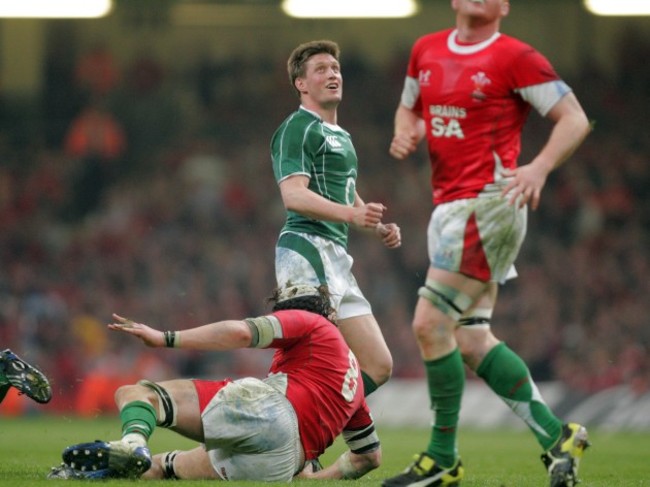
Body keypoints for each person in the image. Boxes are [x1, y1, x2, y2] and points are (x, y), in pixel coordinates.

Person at [382, 1, 591, 486]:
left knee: (430, 324)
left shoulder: (515, 56)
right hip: (449, 208)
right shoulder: (425, 51)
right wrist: (405, 130)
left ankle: (442, 459)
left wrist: (538, 167)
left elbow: (574, 119)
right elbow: (410, 108)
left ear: (504, 6)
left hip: (490, 205)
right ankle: (557, 438)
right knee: (471, 338)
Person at [48, 284, 381, 481]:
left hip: (272, 414)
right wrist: (313, 480)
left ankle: (133, 441)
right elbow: (369, 457)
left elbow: (239, 333)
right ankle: (77, 474)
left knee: (138, 394)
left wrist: (165, 338)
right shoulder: (352, 380)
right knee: (164, 467)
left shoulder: (312, 324)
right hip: (282, 465)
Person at [270, 39, 402, 398]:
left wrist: (375, 226)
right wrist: (352, 215)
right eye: (321, 70)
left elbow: (344, 191)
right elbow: (294, 195)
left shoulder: (340, 135)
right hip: (306, 251)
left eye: (335, 68)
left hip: (337, 257)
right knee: (306, 366)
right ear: (301, 84)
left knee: (378, 365)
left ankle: (317, 434)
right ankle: (277, 436)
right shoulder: (297, 128)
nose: (333, 75)